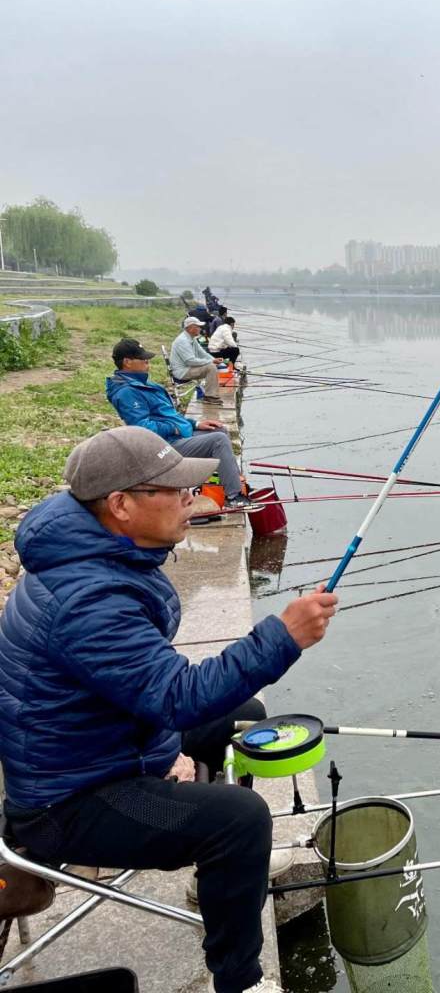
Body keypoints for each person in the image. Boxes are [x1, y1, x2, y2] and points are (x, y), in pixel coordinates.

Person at [0, 426, 338, 993]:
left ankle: (217, 881)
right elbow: (177, 698)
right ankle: (239, 979)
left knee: (245, 712)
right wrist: (283, 635)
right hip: (64, 802)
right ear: (121, 505)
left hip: (92, 747)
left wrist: (162, 751)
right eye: (176, 491)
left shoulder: (88, 551)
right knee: (240, 820)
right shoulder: (88, 599)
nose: (195, 500)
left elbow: (142, 691)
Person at [105, 338, 254, 510]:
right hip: (162, 447)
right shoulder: (126, 392)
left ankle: (228, 482)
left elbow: (168, 416)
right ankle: (234, 497)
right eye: (143, 358)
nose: (147, 361)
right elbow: (142, 428)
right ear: (127, 362)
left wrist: (195, 423)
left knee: (219, 429)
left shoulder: (144, 384)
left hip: (174, 436)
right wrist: (175, 428)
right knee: (218, 441)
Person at [170, 316, 224, 403]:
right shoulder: (183, 341)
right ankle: (210, 396)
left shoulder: (191, 338)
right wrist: (211, 362)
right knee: (211, 367)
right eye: (198, 326)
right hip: (182, 372)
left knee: (211, 365)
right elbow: (190, 361)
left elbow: (203, 353)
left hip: (187, 369)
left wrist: (214, 360)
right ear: (191, 328)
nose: (200, 328)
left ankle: (208, 394)